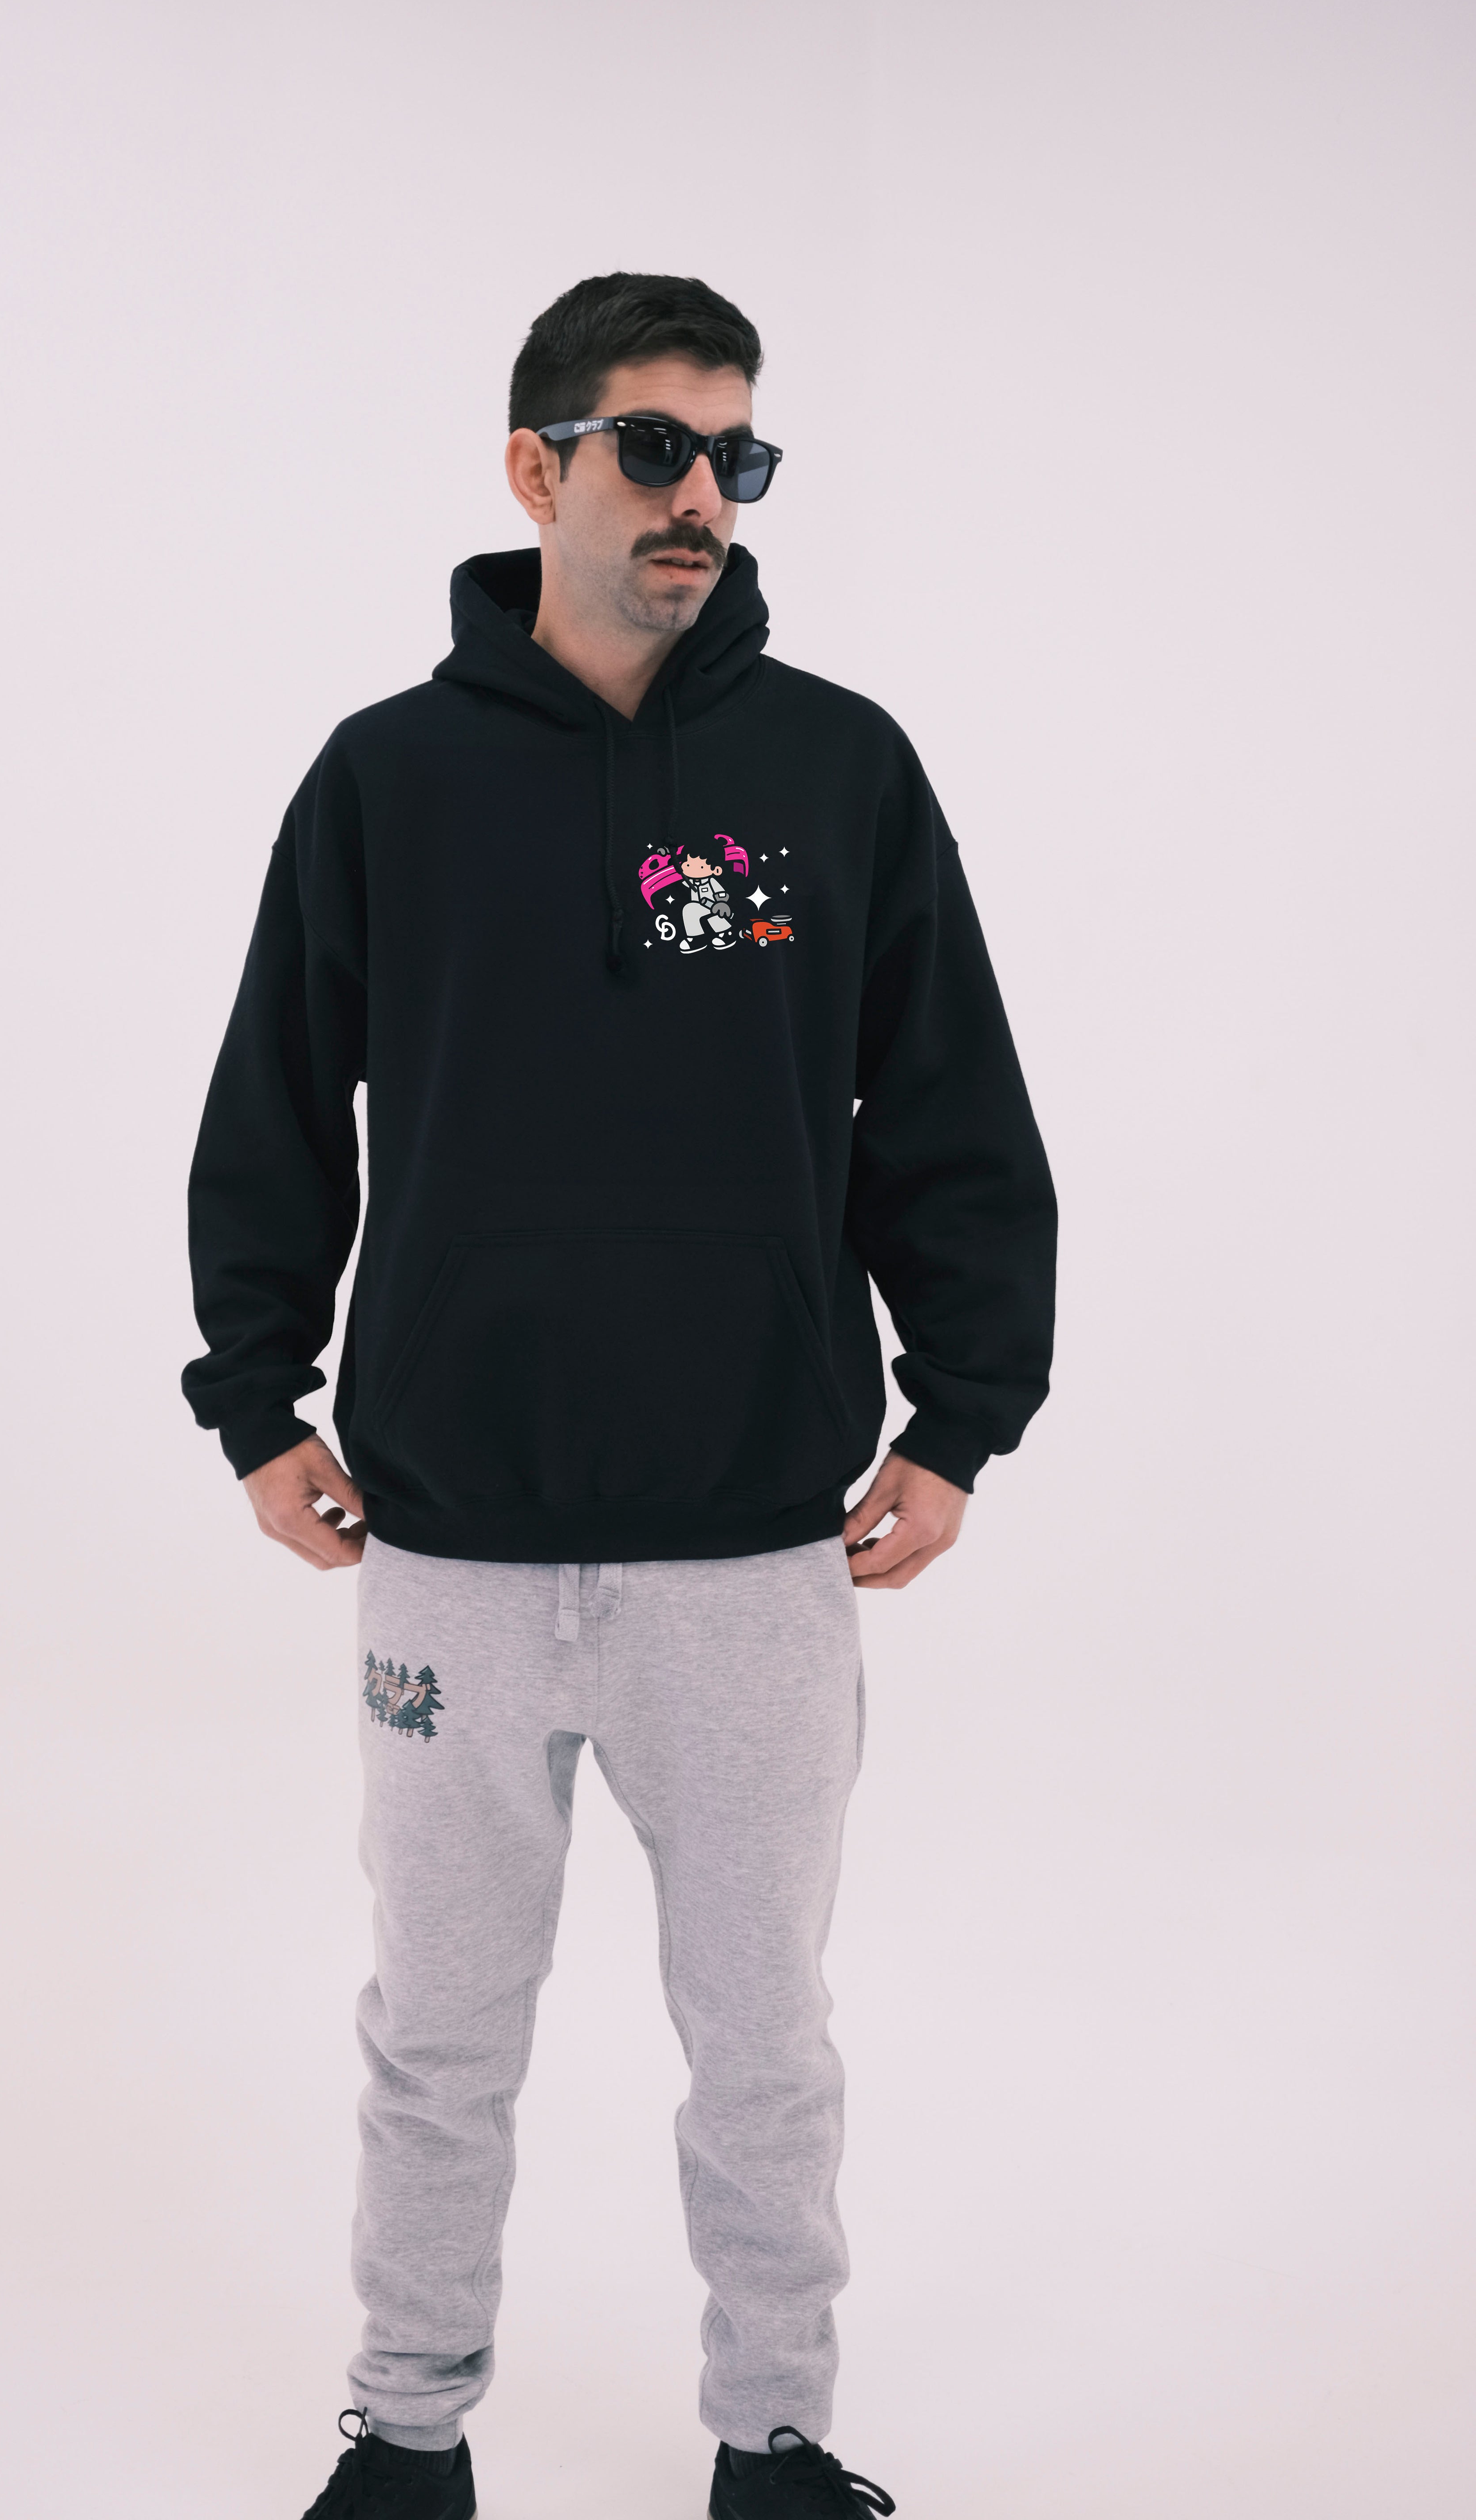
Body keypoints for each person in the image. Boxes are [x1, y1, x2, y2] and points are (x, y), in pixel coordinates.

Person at [182, 272, 1057, 2520]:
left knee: (764, 2048)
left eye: (736, 458)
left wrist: (962, 1415)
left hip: (754, 1541)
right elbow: (277, 1100)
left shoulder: (837, 769)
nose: (701, 498)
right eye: (654, 448)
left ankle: (774, 2443)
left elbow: (948, 1107)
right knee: (438, 2039)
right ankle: (408, 2438)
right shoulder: (387, 778)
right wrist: (257, 1396)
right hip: (451, 1543)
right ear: (534, 468)